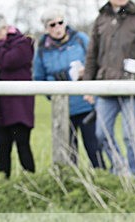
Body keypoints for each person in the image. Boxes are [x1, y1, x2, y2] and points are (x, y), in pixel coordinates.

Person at [83, 0, 135, 179]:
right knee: (101, 133)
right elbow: (92, 54)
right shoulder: (101, 19)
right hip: (106, 87)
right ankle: (120, 169)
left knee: (131, 136)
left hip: (132, 87)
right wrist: (87, 86)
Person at [33, 6, 103, 169]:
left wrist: (86, 74)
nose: (57, 28)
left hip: (86, 105)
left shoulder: (80, 39)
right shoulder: (42, 50)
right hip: (62, 109)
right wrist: (54, 93)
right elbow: (39, 78)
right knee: (68, 155)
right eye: (52, 25)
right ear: (46, 29)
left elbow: (96, 63)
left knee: (95, 150)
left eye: (60, 22)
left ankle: (102, 183)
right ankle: (71, 185)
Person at [0, 12, 35, 178]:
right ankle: (4, 184)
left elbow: (9, 61)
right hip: (0, 109)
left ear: (2, 29)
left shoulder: (23, 43)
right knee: (2, 149)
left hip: (18, 109)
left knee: (23, 146)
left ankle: (32, 183)